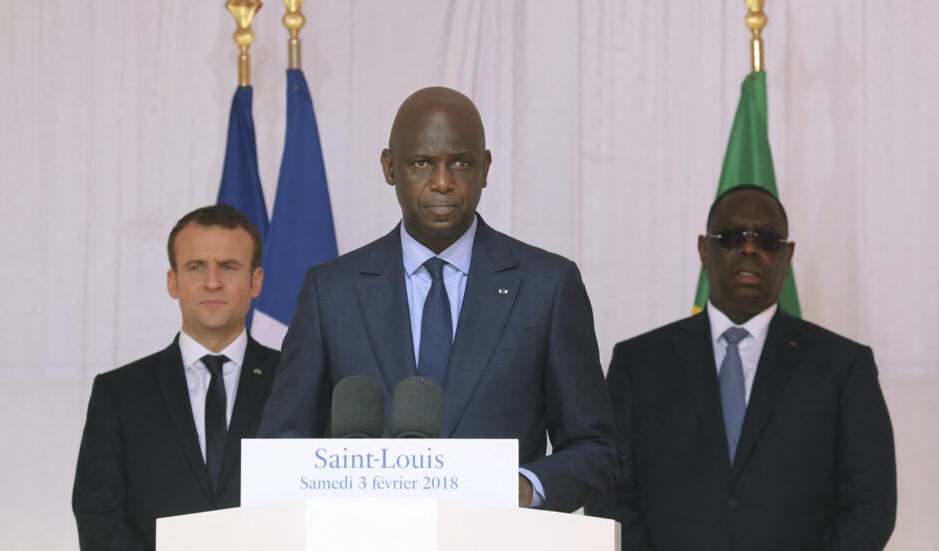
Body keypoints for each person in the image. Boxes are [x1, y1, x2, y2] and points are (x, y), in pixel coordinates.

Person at [258, 86, 618, 512]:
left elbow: (596, 449)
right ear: (390, 168)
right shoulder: (331, 291)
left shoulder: (548, 285)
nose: (443, 182)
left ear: (484, 168)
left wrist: (527, 485)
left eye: (461, 163)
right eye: (422, 163)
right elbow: (282, 448)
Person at [585, 185, 896, 550]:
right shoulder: (639, 363)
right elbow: (608, 494)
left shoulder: (843, 366)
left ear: (788, 254)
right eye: (732, 237)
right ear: (704, 249)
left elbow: (870, 504)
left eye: (766, 240)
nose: (749, 249)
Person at [72, 205, 280, 550]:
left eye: (228, 267)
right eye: (196, 267)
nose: (212, 282)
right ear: (173, 281)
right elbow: (98, 515)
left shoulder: (297, 383)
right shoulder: (120, 393)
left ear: (255, 281)